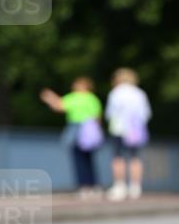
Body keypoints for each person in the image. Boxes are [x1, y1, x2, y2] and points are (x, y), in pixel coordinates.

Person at [40, 77, 104, 197]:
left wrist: (50, 97)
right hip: (91, 131)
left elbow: (59, 106)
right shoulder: (92, 98)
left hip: (77, 130)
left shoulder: (74, 97)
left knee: (78, 159)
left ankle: (84, 187)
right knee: (89, 159)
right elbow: (98, 117)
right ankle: (94, 186)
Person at [105, 68, 152, 201]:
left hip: (119, 128)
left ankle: (120, 187)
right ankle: (135, 187)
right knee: (135, 158)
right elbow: (146, 114)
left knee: (118, 157)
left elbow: (110, 113)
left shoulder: (115, 93)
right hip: (135, 130)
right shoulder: (139, 93)